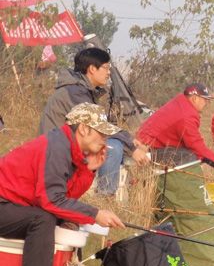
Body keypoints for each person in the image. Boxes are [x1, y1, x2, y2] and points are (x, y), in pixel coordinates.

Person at [0, 103, 125, 266]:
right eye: (101, 133)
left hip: (15, 204)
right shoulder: (57, 148)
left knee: (64, 218)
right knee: (43, 219)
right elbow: (52, 201)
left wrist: (88, 170)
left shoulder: (68, 146)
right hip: (4, 203)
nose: (105, 139)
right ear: (83, 129)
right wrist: (95, 214)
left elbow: (65, 198)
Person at [39, 48, 149, 196]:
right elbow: (99, 128)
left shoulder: (82, 90)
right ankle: (105, 196)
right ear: (92, 69)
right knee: (113, 147)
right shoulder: (75, 92)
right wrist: (131, 148)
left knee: (117, 145)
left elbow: (101, 125)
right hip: (56, 151)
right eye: (106, 68)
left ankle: (112, 191)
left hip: (67, 144)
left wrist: (129, 140)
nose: (108, 72)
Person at [137, 83, 214, 178]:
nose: (207, 103)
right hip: (149, 149)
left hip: (147, 143)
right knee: (192, 157)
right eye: (205, 99)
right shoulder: (187, 115)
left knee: (193, 154)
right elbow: (198, 147)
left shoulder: (181, 102)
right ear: (194, 98)